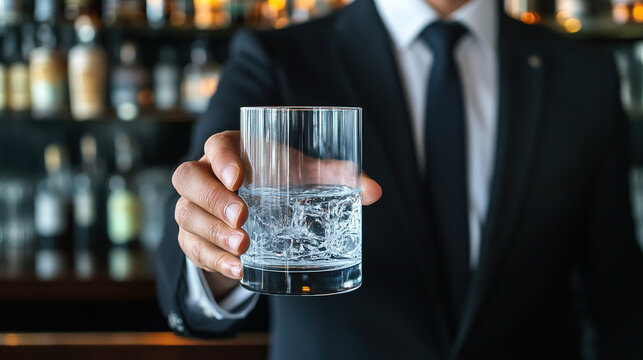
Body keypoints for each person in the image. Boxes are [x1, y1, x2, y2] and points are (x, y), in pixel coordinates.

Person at [155, 0, 643, 358]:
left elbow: (619, 304)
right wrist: (220, 241)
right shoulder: (275, 57)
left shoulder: (585, 75)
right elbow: (184, 262)